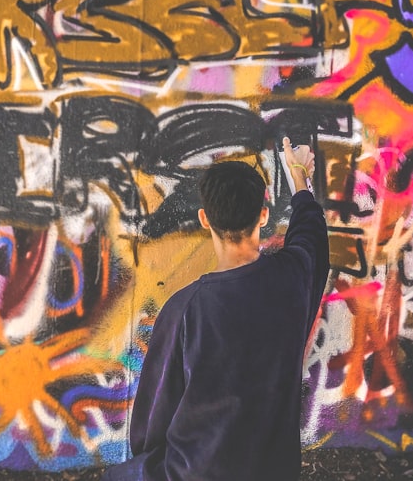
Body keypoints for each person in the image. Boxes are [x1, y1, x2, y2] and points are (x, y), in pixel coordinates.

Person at [104, 137, 330, 481]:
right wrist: (300, 179)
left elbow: (153, 416)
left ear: (205, 219)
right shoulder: (293, 279)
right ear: (264, 215)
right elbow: (311, 234)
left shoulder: (184, 310)